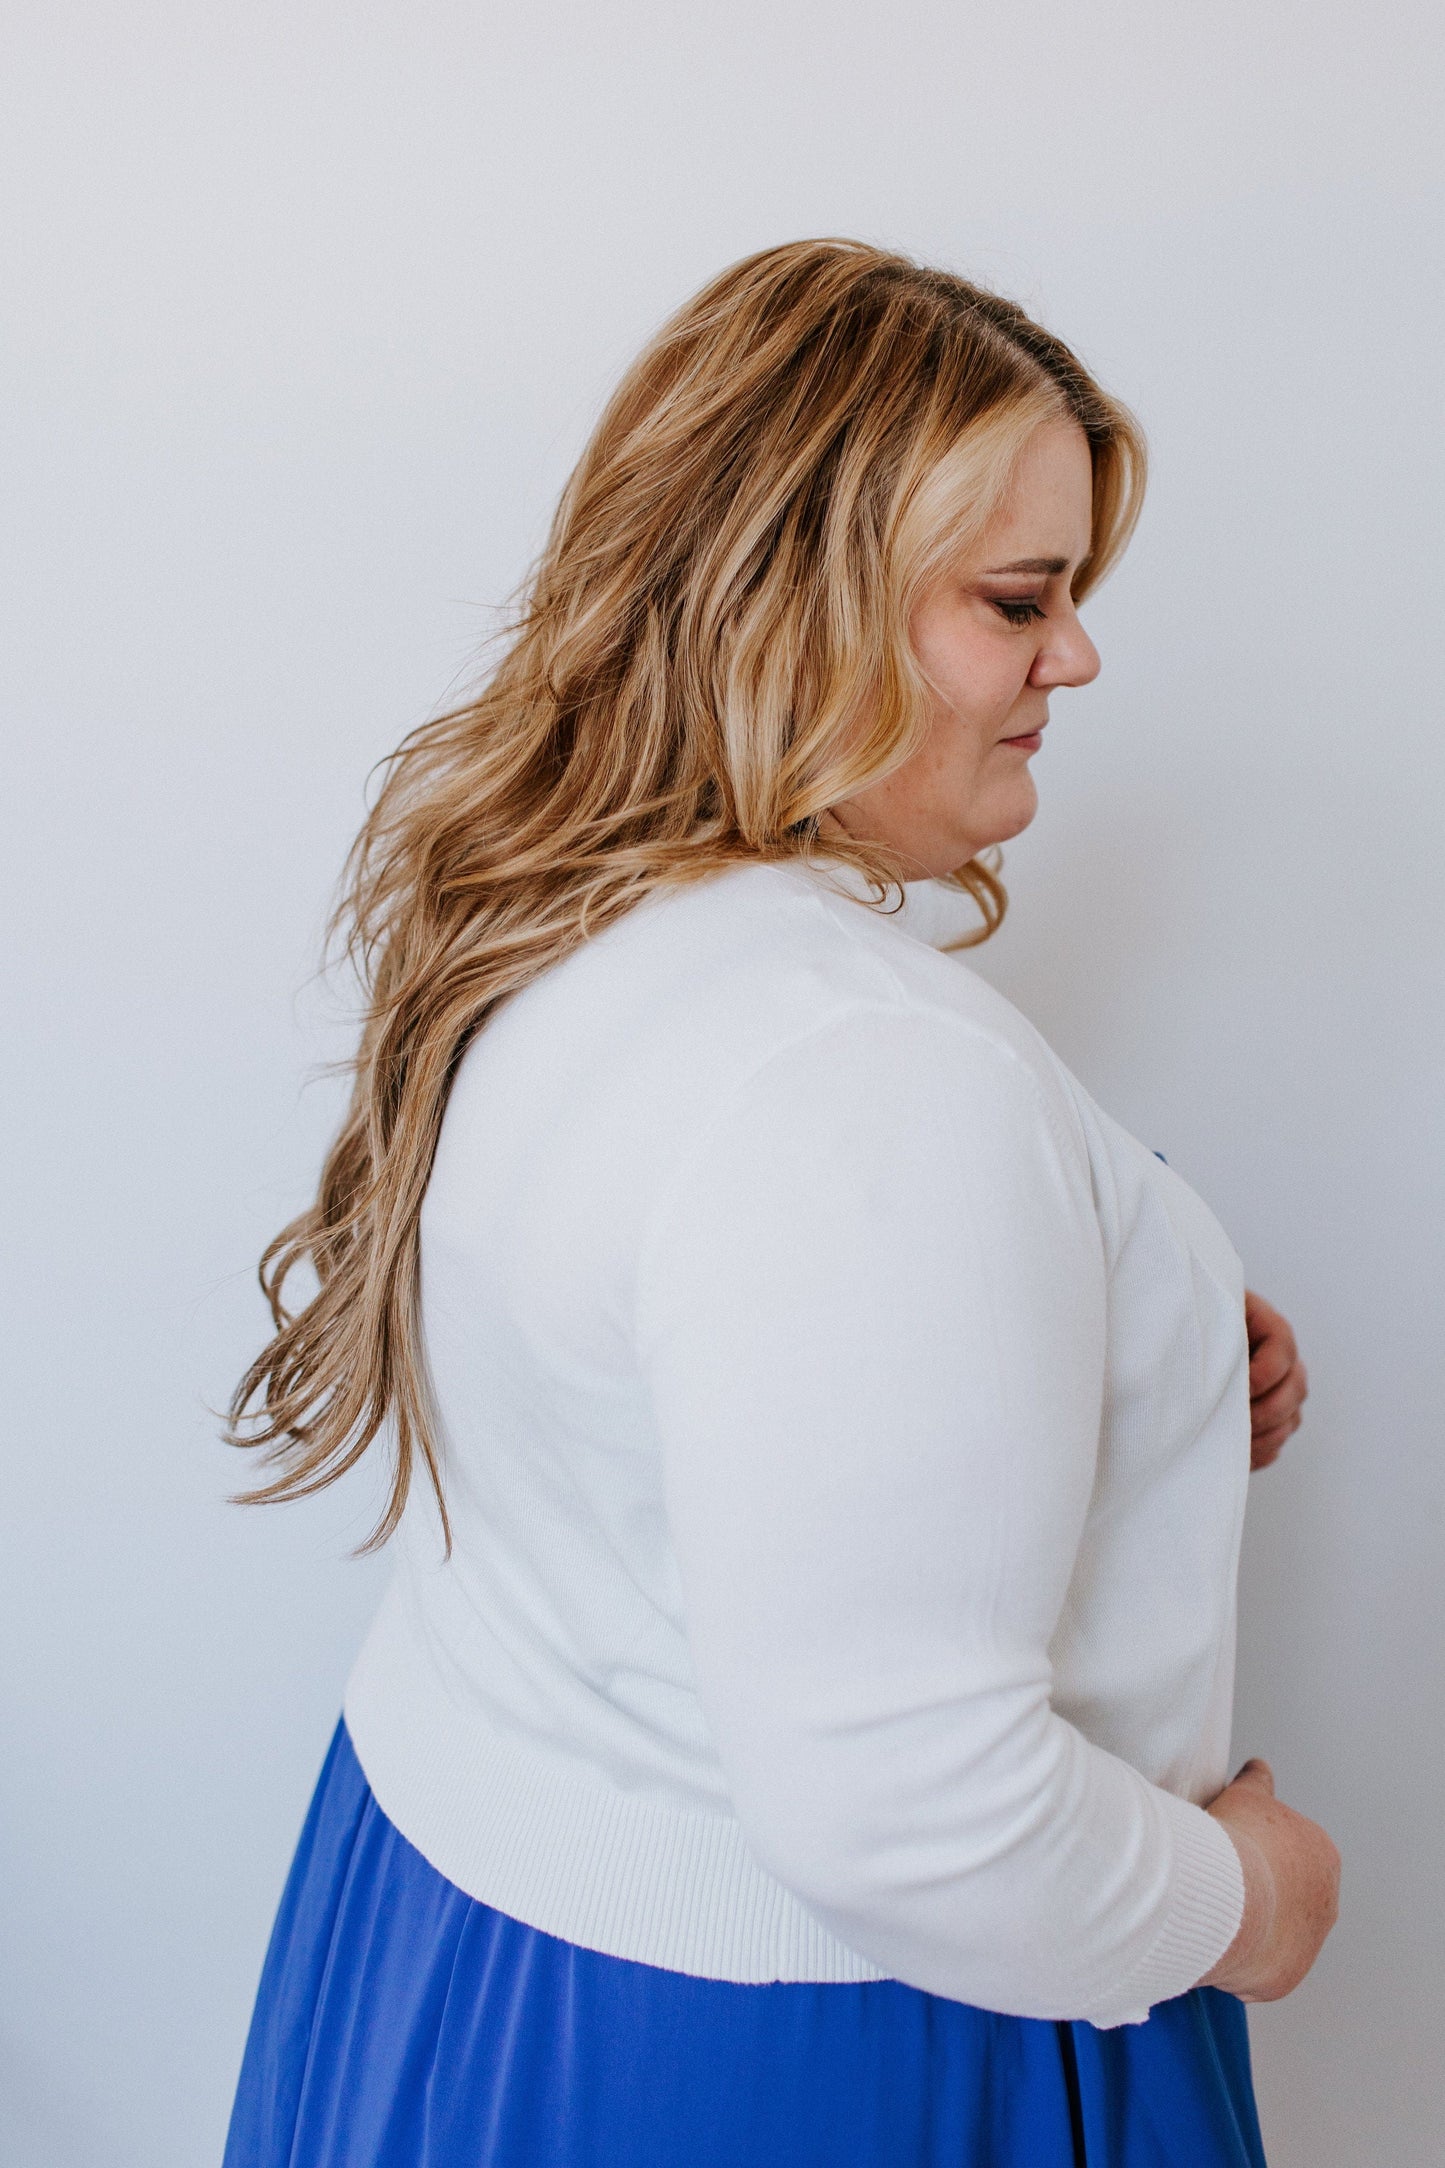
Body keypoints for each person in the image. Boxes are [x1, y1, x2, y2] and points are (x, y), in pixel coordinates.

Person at [222, 239, 1339, 2167]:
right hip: (815, 2057)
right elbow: (914, 1809)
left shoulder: (552, 914)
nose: (1073, 657)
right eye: (1018, 598)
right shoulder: (864, 1078)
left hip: (472, 1934)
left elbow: (663, 1378)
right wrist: (1255, 1901)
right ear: (799, 607)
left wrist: (1120, 1352)